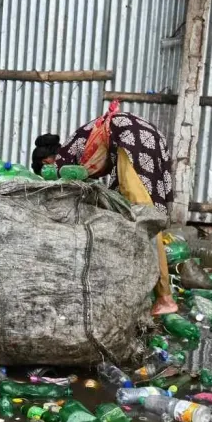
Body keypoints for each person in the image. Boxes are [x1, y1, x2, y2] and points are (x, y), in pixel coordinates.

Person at [39, 102, 177, 315]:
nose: (47, 172)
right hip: (141, 137)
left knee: (143, 215)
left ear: (46, 161)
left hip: (130, 140)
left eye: (44, 168)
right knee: (128, 211)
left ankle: (164, 297)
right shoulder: (77, 143)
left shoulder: (62, 162)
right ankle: (148, 289)